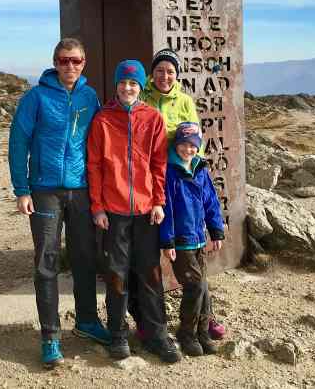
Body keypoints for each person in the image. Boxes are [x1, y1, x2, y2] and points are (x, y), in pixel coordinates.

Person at [8, 37, 111, 367]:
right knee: (47, 260)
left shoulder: (89, 96)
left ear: (84, 63)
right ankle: (51, 335)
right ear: (55, 62)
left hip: (81, 189)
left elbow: (98, 140)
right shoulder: (35, 97)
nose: (70, 66)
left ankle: (86, 321)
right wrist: (21, 190)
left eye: (76, 61)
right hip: (44, 190)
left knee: (84, 256)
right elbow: (18, 143)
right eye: (64, 60)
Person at [87, 60, 181, 363]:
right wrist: (98, 207)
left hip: (145, 211)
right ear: (116, 86)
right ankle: (118, 335)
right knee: (116, 275)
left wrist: (158, 201)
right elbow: (95, 166)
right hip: (113, 212)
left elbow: (158, 164)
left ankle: (156, 335)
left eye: (134, 84)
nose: (128, 88)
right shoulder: (102, 120)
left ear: (141, 87)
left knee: (150, 274)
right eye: (123, 83)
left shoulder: (152, 119)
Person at [139, 47, 228, 340]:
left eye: (171, 71)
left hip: (177, 175)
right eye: (160, 70)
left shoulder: (185, 101)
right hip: (150, 177)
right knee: (152, 255)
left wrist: (193, 167)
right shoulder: (143, 98)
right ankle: (150, 321)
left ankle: (206, 317)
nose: (165, 76)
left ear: (177, 75)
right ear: (153, 73)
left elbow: (195, 139)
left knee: (194, 267)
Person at [159, 122, 226, 356]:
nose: (188, 150)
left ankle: (203, 332)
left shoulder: (200, 169)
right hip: (180, 241)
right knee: (195, 286)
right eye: (184, 144)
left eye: (193, 146)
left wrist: (216, 230)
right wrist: (167, 241)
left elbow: (211, 202)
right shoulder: (169, 172)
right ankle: (186, 333)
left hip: (199, 238)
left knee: (203, 287)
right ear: (176, 144)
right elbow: (164, 209)